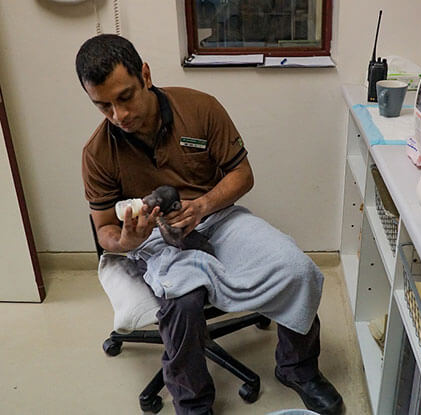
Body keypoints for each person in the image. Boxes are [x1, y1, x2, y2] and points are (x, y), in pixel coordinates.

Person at [76, 34, 343, 415]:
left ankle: (298, 368)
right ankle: (194, 402)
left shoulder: (200, 108)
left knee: (296, 268)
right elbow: (104, 231)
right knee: (183, 303)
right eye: (103, 106)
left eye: (125, 97)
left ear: (145, 76)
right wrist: (125, 240)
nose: (119, 115)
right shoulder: (98, 153)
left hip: (216, 216)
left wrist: (202, 205)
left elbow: (242, 175)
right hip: (153, 241)